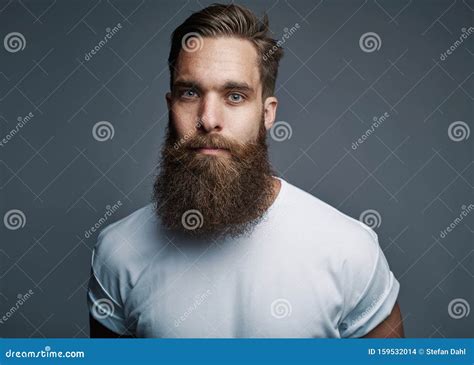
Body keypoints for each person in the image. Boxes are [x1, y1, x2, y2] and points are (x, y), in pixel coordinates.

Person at [88, 3, 404, 338]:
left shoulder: (349, 251)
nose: (208, 119)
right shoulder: (119, 252)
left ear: (267, 113)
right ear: (171, 106)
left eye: (235, 96)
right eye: (190, 93)